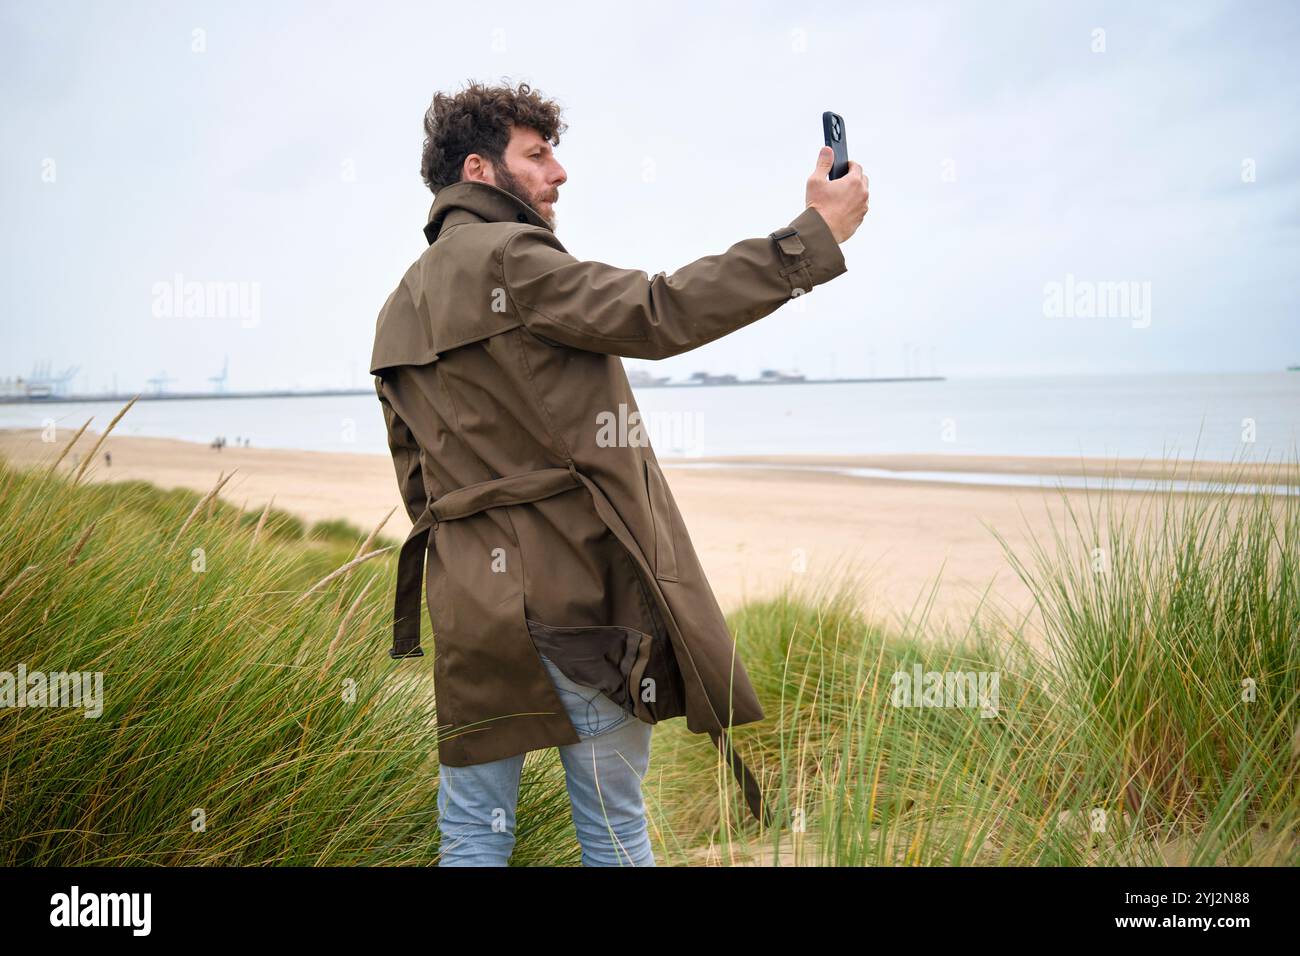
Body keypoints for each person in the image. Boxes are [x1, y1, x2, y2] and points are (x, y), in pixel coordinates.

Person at [370, 80, 868, 867]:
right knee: (613, 830)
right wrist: (809, 239)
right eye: (537, 155)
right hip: (577, 604)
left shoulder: (396, 307)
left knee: (469, 833)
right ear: (478, 168)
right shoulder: (515, 259)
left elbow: (417, 490)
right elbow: (659, 310)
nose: (558, 173)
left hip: (469, 609)